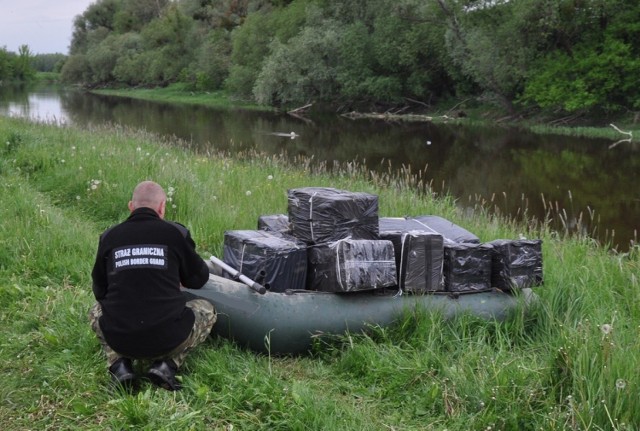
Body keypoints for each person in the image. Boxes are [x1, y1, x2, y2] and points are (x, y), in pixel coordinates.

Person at [89, 180, 216, 391]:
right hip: (168, 338)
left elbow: (99, 291)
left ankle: (119, 365)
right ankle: (167, 365)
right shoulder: (176, 234)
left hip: (121, 339)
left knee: (95, 312)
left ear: (131, 206)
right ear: (162, 207)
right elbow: (199, 279)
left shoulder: (109, 237)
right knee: (207, 310)